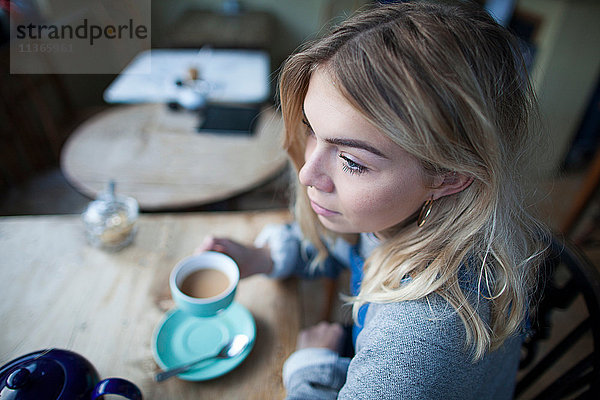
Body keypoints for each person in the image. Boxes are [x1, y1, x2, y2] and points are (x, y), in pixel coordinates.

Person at [197, 1, 549, 398]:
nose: (306, 173)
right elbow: (346, 244)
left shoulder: (420, 339)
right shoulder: (401, 214)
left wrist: (311, 372)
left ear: (449, 175)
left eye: (350, 160)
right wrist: (265, 256)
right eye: (311, 129)